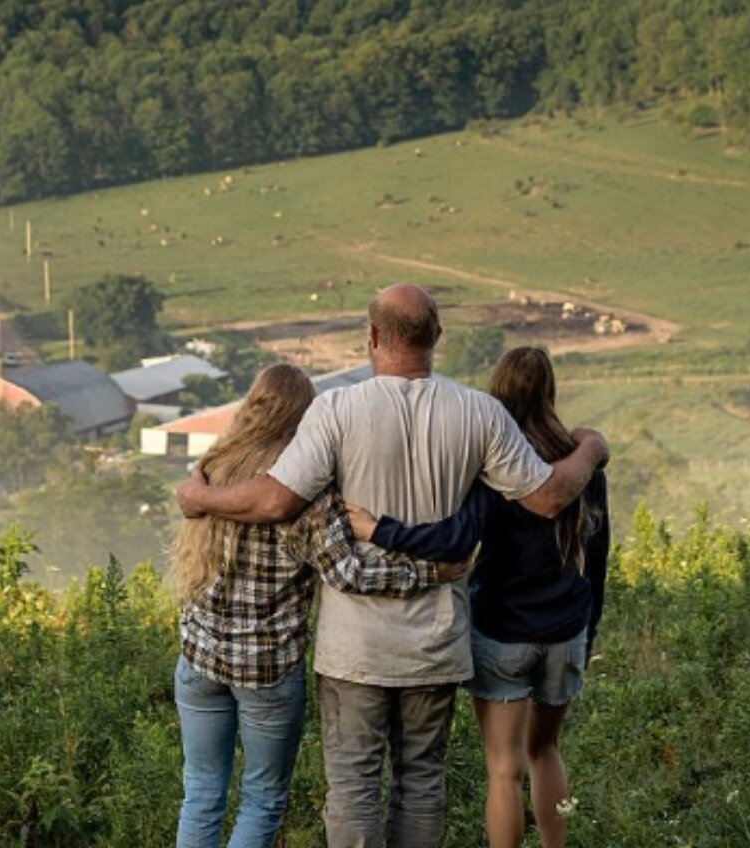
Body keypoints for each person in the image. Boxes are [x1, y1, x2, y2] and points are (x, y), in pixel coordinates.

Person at [177, 284, 609, 848]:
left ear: (373, 337)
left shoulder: (336, 410)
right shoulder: (480, 413)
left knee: (354, 783)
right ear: (436, 338)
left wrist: (200, 498)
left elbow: (276, 500)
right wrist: (589, 451)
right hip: (435, 643)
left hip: (355, 646)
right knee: (421, 781)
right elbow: (549, 498)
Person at [171, 363, 467, 848]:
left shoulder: (211, 470)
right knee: (262, 797)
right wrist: (429, 571)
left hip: (198, 659)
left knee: (201, 791)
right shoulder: (304, 492)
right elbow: (349, 572)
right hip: (266, 667)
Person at [347, 346, 609, 848]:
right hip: (565, 630)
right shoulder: (583, 468)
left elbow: (453, 539)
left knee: (503, 770)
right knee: (546, 750)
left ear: (498, 393)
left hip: (503, 630)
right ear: (550, 391)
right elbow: (597, 562)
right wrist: (587, 631)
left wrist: (380, 529)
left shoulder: (493, 465)